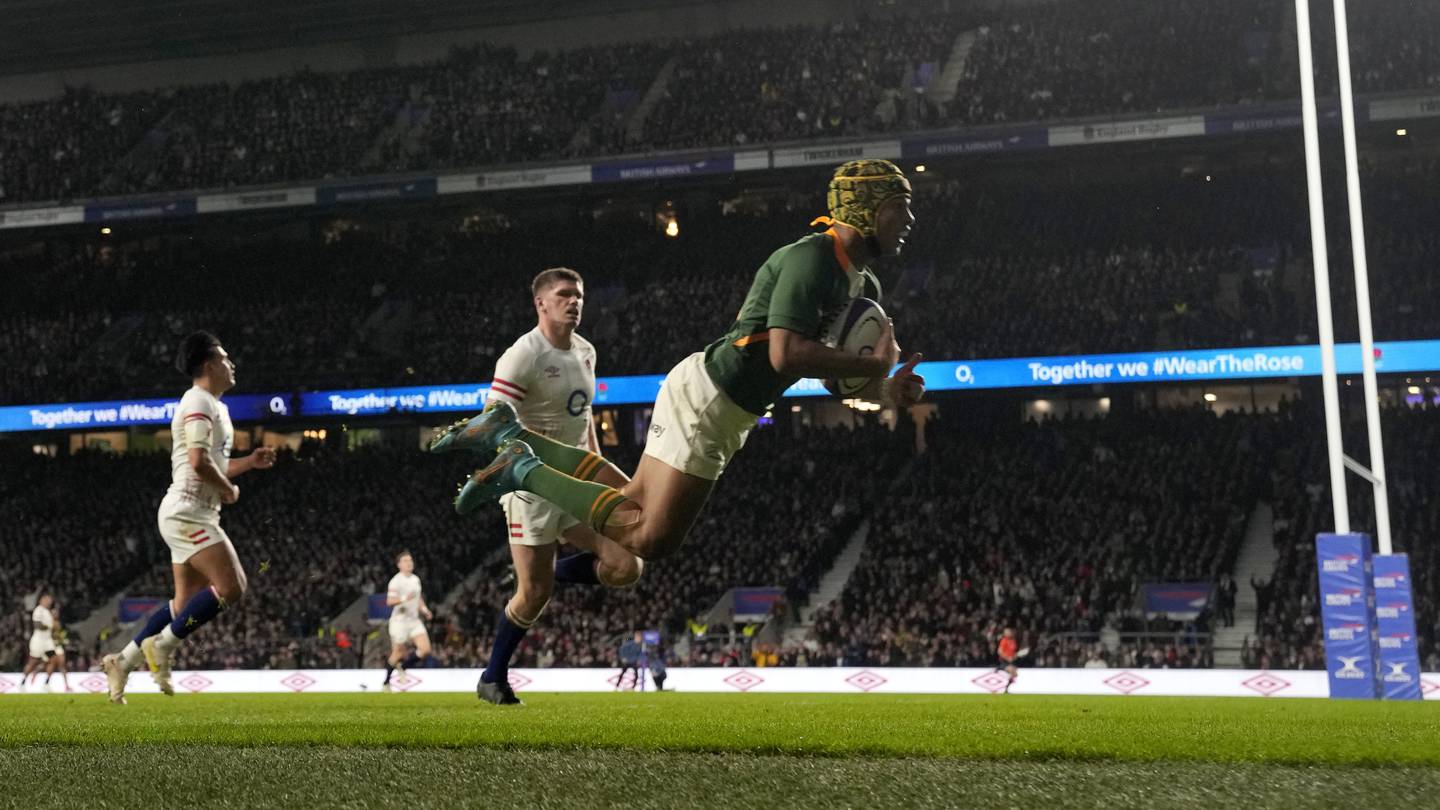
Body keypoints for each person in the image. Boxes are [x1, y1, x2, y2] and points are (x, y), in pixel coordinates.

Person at [431, 160, 925, 565]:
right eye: (898, 208)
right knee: (649, 539)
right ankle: (520, 469)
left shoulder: (866, 289)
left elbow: (831, 373)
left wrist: (885, 390)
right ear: (863, 208)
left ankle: (506, 434)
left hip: (720, 399)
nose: (909, 221)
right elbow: (786, 354)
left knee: (633, 500)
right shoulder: (813, 257)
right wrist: (875, 371)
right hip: (713, 397)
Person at [433, 267, 644, 706]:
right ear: (541, 303)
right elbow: (494, 425)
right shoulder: (521, 356)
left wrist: (596, 464)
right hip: (530, 487)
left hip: (576, 477)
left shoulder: (586, 351)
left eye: (579, 295)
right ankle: (492, 678)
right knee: (533, 595)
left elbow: (584, 419)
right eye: (565, 294)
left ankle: (550, 573)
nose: (575, 302)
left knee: (627, 565)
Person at [102, 331, 276, 704]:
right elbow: (198, 463)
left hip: (187, 512)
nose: (232, 365)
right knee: (233, 587)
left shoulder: (213, 405)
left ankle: (122, 660)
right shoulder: (198, 401)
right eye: (226, 359)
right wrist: (228, 490)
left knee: (184, 605)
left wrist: (248, 464)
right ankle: (162, 645)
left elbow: (212, 462)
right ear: (210, 364)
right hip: (189, 513)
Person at [383, 551, 433, 691]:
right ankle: (386, 682)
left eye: (410, 560)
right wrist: (405, 598)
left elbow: (418, 597)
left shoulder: (415, 579)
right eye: (405, 560)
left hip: (414, 620)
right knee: (398, 652)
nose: (409, 562)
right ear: (399, 565)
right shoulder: (395, 581)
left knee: (425, 650)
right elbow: (389, 601)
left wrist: (424, 609)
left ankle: (403, 666)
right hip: (399, 621)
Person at [21, 593, 58, 692]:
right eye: (47, 599)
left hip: (47, 640)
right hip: (38, 640)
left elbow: (55, 627)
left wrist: (54, 620)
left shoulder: (48, 612)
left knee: (54, 659)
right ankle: (22, 683)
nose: (49, 601)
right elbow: (37, 625)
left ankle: (46, 684)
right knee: (33, 662)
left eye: (50, 600)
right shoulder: (38, 610)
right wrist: (49, 626)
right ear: (42, 600)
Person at [997, 627, 1019, 694]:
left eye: (1008, 632)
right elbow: (999, 652)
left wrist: (1014, 657)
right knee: (1012, 671)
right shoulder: (1004, 640)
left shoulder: (1013, 641)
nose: (1008, 633)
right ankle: (1004, 688)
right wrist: (1007, 658)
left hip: (1011, 661)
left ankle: (1006, 688)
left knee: (1015, 674)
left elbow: (1013, 653)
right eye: (1006, 632)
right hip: (1004, 661)